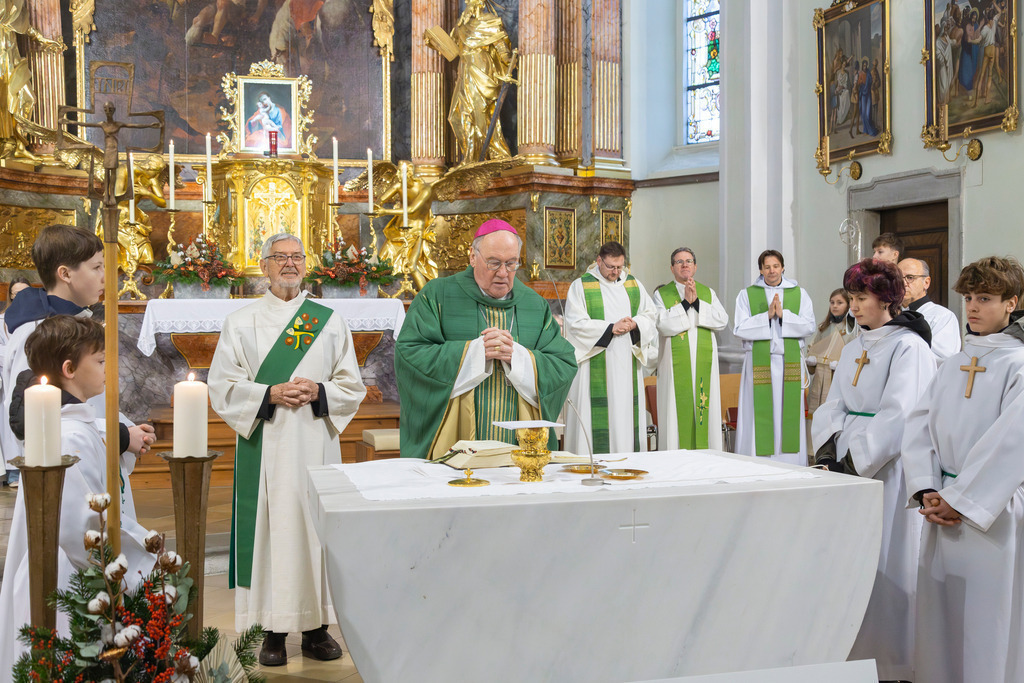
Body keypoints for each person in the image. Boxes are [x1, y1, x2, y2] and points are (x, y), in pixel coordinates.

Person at [208, 232, 366, 666]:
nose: (290, 264)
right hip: (267, 443)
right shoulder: (240, 322)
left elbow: (351, 385)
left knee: (313, 529)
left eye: (297, 257)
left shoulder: (328, 320)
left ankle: (316, 629)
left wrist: (319, 390)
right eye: (280, 258)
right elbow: (222, 386)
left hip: (315, 443)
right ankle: (273, 631)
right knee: (271, 531)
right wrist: (270, 393)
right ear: (264, 266)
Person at [0, 316, 157, 672]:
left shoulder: (76, 424)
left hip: (75, 570)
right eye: (100, 361)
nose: (107, 368)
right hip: (66, 579)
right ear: (69, 369)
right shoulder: (69, 436)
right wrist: (146, 564)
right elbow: (80, 528)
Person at [811, 259, 935, 681]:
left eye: (862, 297)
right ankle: (855, 652)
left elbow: (901, 415)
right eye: (852, 297)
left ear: (887, 298)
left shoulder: (909, 347)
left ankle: (894, 660)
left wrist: (854, 461)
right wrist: (829, 450)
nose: (854, 305)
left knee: (888, 562)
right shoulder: (855, 343)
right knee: (855, 564)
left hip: (887, 467)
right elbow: (834, 403)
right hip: (849, 461)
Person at [902, 256, 1024, 683]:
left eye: (985, 298)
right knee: (942, 618)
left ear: (1012, 303)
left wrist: (959, 499)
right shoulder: (955, 361)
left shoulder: (1018, 363)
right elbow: (919, 424)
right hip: (943, 507)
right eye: (969, 297)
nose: (972, 307)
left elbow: (1011, 442)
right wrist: (926, 488)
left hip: (991, 509)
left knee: (986, 621)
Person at [394, 219, 576, 458]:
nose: (503, 273)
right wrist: (474, 353)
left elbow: (563, 363)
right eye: (494, 263)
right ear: (472, 257)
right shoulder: (437, 295)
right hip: (455, 439)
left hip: (520, 446)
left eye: (511, 264)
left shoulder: (534, 304)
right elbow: (409, 355)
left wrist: (518, 358)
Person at [2, 225, 153, 493]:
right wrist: (119, 436)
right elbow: (34, 417)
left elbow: (84, 399)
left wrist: (127, 429)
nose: (105, 278)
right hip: (67, 475)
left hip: (93, 455)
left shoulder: (75, 323)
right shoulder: (39, 333)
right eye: (96, 268)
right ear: (65, 274)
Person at [564, 241, 658, 455]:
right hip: (595, 361)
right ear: (599, 261)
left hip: (626, 363)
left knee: (625, 414)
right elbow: (575, 324)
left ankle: (628, 462)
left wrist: (635, 324)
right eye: (610, 267)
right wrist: (610, 328)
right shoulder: (581, 286)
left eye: (620, 267)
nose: (616, 272)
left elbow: (650, 315)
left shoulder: (633, 284)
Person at [733, 249, 816, 464]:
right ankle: (756, 463)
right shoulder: (747, 294)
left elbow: (809, 326)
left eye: (776, 266)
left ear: (783, 267)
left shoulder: (799, 293)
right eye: (767, 267)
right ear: (760, 270)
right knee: (759, 413)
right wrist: (766, 316)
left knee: (786, 414)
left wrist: (783, 316)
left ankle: (790, 462)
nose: (772, 271)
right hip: (759, 363)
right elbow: (739, 328)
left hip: (788, 363)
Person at [652, 247, 729, 451]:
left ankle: (708, 459)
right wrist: (685, 303)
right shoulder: (662, 294)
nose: (684, 264)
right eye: (679, 262)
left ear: (695, 266)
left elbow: (722, 320)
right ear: (671, 268)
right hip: (674, 368)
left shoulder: (707, 292)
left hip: (704, 365)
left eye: (688, 261)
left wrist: (698, 304)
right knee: (676, 414)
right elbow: (662, 324)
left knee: (705, 408)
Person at [441, 0, 515, 163]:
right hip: (465, 70)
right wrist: (434, 41)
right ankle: (471, 153)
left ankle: (487, 155)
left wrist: (508, 60)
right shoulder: (462, 26)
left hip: (480, 68)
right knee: (456, 114)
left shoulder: (489, 21)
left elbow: (501, 47)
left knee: (479, 112)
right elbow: (452, 48)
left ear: (480, 3)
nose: (467, 4)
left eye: (471, 1)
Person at [805, 288, 859, 451]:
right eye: (832, 302)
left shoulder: (852, 330)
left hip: (834, 379)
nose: (835, 306)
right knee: (815, 413)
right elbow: (813, 350)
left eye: (840, 303)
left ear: (849, 305)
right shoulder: (823, 328)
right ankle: (812, 451)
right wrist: (811, 361)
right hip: (819, 380)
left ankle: (829, 451)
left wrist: (840, 364)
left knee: (831, 414)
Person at [898, 257, 962, 361]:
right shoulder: (890, 316)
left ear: (926, 282)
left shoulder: (943, 316)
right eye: (897, 278)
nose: (903, 283)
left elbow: (943, 359)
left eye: (910, 277)